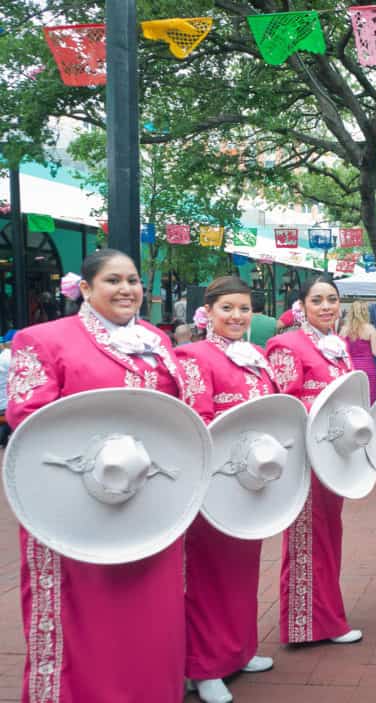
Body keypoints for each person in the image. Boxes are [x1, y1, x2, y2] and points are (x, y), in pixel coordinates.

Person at [7, 248, 186, 702]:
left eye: (132, 280)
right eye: (112, 280)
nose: (126, 289)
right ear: (85, 288)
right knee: (86, 608)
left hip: (149, 500)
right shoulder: (43, 339)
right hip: (76, 500)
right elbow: (29, 421)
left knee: (151, 610)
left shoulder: (155, 341)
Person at [175, 276, 278, 703]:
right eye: (228, 309)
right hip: (215, 476)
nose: (237, 316)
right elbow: (198, 418)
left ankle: (238, 649)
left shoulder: (256, 355)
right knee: (208, 572)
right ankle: (205, 666)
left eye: (244, 309)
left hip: (250, 477)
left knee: (243, 566)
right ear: (208, 313)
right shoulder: (193, 356)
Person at [266, 275, 363, 647]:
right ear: (302, 305)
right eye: (318, 300)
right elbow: (282, 406)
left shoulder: (336, 346)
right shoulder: (287, 345)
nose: (326, 307)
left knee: (328, 536)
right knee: (308, 538)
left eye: (332, 299)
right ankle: (308, 623)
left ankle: (324, 615)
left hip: (332, 455)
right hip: (305, 455)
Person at [340, 301, 376, 404]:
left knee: (351, 398)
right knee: (369, 398)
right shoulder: (370, 329)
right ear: (365, 312)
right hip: (368, 369)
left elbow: (340, 352)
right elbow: (375, 352)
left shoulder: (344, 330)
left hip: (350, 368)